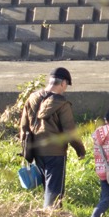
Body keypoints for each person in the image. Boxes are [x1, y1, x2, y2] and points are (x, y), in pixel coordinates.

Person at [19, 66, 86, 208]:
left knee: (47, 190)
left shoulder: (32, 98)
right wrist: (80, 150)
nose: (65, 89)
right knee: (55, 192)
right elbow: (70, 131)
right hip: (55, 153)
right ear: (63, 83)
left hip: (37, 152)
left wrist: (25, 148)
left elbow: (23, 126)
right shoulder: (62, 104)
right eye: (66, 85)